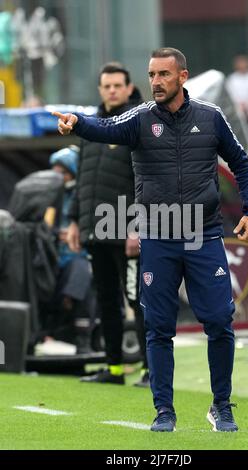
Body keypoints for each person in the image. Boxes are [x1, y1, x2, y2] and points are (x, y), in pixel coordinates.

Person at [53, 47, 248, 432]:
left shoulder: (211, 118)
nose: (156, 82)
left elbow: (242, 163)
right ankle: (164, 410)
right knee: (159, 326)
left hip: (203, 235)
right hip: (158, 237)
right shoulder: (140, 119)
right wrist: (76, 122)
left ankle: (221, 406)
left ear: (182, 76)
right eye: (151, 75)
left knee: (219, 320)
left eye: (163, 74)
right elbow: (104, 129)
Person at [66, 62, 149, 386]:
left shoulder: (138, 123)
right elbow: (83, 178)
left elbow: (147, 180)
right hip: (95, 230)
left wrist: (136, 226)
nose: (112, 90)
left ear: (129, 88)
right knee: (106, 301)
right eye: (107, 85)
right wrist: (75, 221)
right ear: (100, 89)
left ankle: (149, 370)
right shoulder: (89, 126)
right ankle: (114, 369)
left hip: (127, 233)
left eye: (118, 85)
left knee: (138, 301)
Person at [44, 146, 93, 353]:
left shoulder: (85, 195)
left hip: (79, 255)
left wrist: (76, 235)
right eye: (55, 172)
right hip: (50, 256)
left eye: (63, 172)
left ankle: (83, 339)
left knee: (80, 271)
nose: (58, 177)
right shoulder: (47, 197)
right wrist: (56, 234)